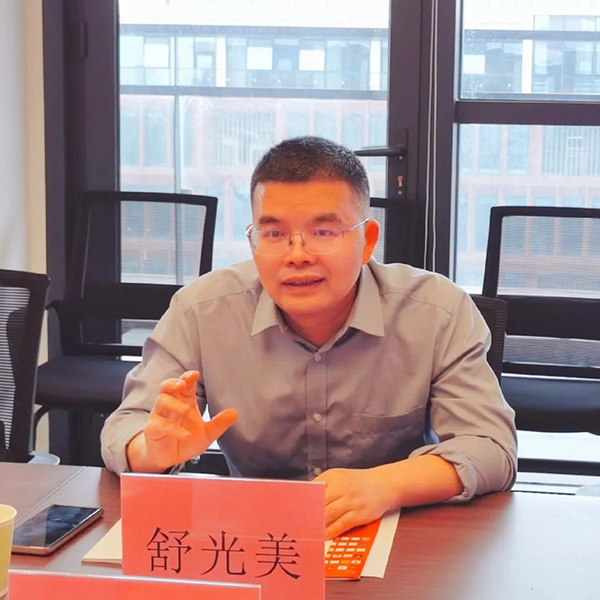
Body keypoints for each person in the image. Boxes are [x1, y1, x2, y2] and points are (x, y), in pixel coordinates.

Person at [101, 136, 517, 540]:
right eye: (274, 234)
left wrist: (384, 485)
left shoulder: (437, 311)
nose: (297, 255)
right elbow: (126, 427)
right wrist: (152, 452)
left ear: (367, 240)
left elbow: (490, 446)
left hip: (399, 536)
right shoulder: (202, 310)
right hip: (257, 539)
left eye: (323, 232)